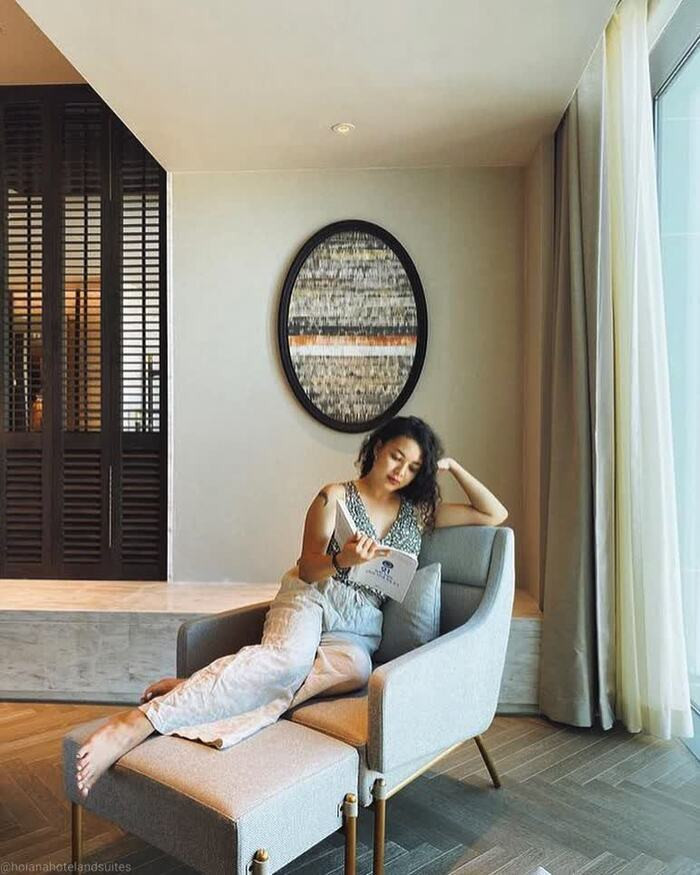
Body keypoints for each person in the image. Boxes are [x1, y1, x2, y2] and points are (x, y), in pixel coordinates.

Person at [75, 416, 507, 797]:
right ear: (377, 448)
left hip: (358, 622)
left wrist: (451, 467)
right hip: (312, 595)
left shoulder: (418, 514)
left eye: (413, 466)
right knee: (287, 660)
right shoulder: (333, 496)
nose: (402, 471)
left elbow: (494, 513)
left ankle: (202, 687)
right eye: (397, 457)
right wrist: (343, 559)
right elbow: (308, 567)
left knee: (356, 669)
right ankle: (137, 723)